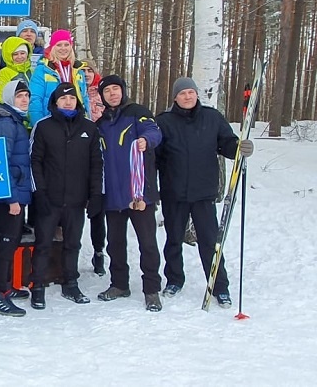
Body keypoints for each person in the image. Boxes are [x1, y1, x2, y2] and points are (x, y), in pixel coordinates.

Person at [155, 77, 255, 308]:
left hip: (203, 192)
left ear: (196, 94)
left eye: (191, 92)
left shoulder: (212, 118)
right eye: (182, 93)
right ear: (175, 98)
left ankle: (220, 286)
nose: (187, 97)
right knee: (173, 240)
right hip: (174, 192)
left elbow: (227, 143)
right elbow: (155, 158)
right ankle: (174, 280)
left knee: (210, 242)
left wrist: (240, 148)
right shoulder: (164, 121)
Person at [29, 83, 102, 308]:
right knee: (42, 244)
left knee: (73, 243)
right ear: (55, 102)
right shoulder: (43, 126)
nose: (68, 102)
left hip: (76, 200)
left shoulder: (89, 128)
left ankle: (71, 282)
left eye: (71, 99)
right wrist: (39, 192)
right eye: (63, 99)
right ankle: (38, 286)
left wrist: (95, 195)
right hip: (48, 199)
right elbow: (35, 161)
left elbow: (96, 164)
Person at [95, 75, 163, 311]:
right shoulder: (101, 123)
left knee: (147, 242)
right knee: (114, 242)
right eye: (107, 91)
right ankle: (119, 283)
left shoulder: (137, 112)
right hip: (113, 193)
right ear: (102, 96)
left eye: (116, 89)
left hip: (138, 192)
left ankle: (152, 289)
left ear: (123, 91)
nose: (112, 94)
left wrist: (146, 140)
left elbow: (154, 131)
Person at [0, 80, 33, 317]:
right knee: (4, 244)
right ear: (8, 97)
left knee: (10, 241)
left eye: (26, 96)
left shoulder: (15, 121)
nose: (24, 100)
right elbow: (0, 162)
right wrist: (12, 199)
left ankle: (4, 287)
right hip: (9, 198)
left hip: (17, 192)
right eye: (19, 95)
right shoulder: (5, 123)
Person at [28, 29, 89, 128]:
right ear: (52, 47)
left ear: (71, 46)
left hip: (76, 125)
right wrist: (40, 127)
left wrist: (88, 124)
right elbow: (34, 100)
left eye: (66, 44)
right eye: (59, 45)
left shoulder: (78, 69)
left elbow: (85, 100)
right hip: (51, 124)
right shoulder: (43, 70)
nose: (63, 48)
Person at [81, 59, 106, 276]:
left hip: (101, 148)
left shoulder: (103, 92)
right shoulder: (77, 90)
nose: (87, 74)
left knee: (98, 206)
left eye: (90, 70)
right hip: (80, 151)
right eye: (83, 70)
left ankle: (99, 252)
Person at [0, 36, 33, 103]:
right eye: (15, 54)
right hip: (12, 111)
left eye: (22, 53)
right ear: (9, 56)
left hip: (30, 111)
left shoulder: (31, 71)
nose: (19, 57)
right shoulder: (5, 73)